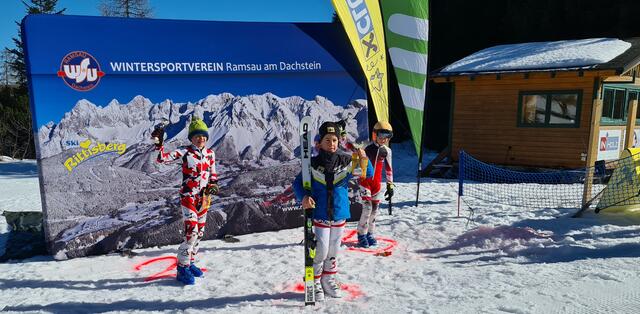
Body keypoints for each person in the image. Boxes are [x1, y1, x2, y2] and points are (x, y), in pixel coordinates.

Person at [293, 121, 373, 301]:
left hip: (339, 212)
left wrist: (363, 158)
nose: (331, 143)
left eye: (335, 139)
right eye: (327, 140)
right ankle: (315, 279)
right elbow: (297, 183)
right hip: (320, 212)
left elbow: (367, 174)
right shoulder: (311, 163)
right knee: (321, 249)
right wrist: (304, 197)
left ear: (339, 141)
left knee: (334, 249)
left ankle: (328, 278)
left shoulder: (346, 160)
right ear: (319, 143)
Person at [152, 118, 219, 285]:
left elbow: (213, 174)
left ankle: (190, 263)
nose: (201, 138)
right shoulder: (185, 152)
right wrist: (159, 144)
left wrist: (213, 185)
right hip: (188, 196)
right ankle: (182, 268)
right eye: (197, 135)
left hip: (203, 198)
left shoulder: (210, 154)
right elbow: (162, 159)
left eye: (203, 135)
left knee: (200, 234)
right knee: (191, 234)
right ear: (191, 137)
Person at [357, 121, 394, 248]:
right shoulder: (366, 147)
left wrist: (390, 186)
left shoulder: (387, 151)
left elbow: (389, 169)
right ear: (374, 135)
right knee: (367, 209)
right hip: (365, 182)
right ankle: (361, 234)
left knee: (374, 211)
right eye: (380, 136)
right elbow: (351, 148)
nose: (383, 139)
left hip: (376, 185)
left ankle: (370, 233)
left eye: (387, 137)